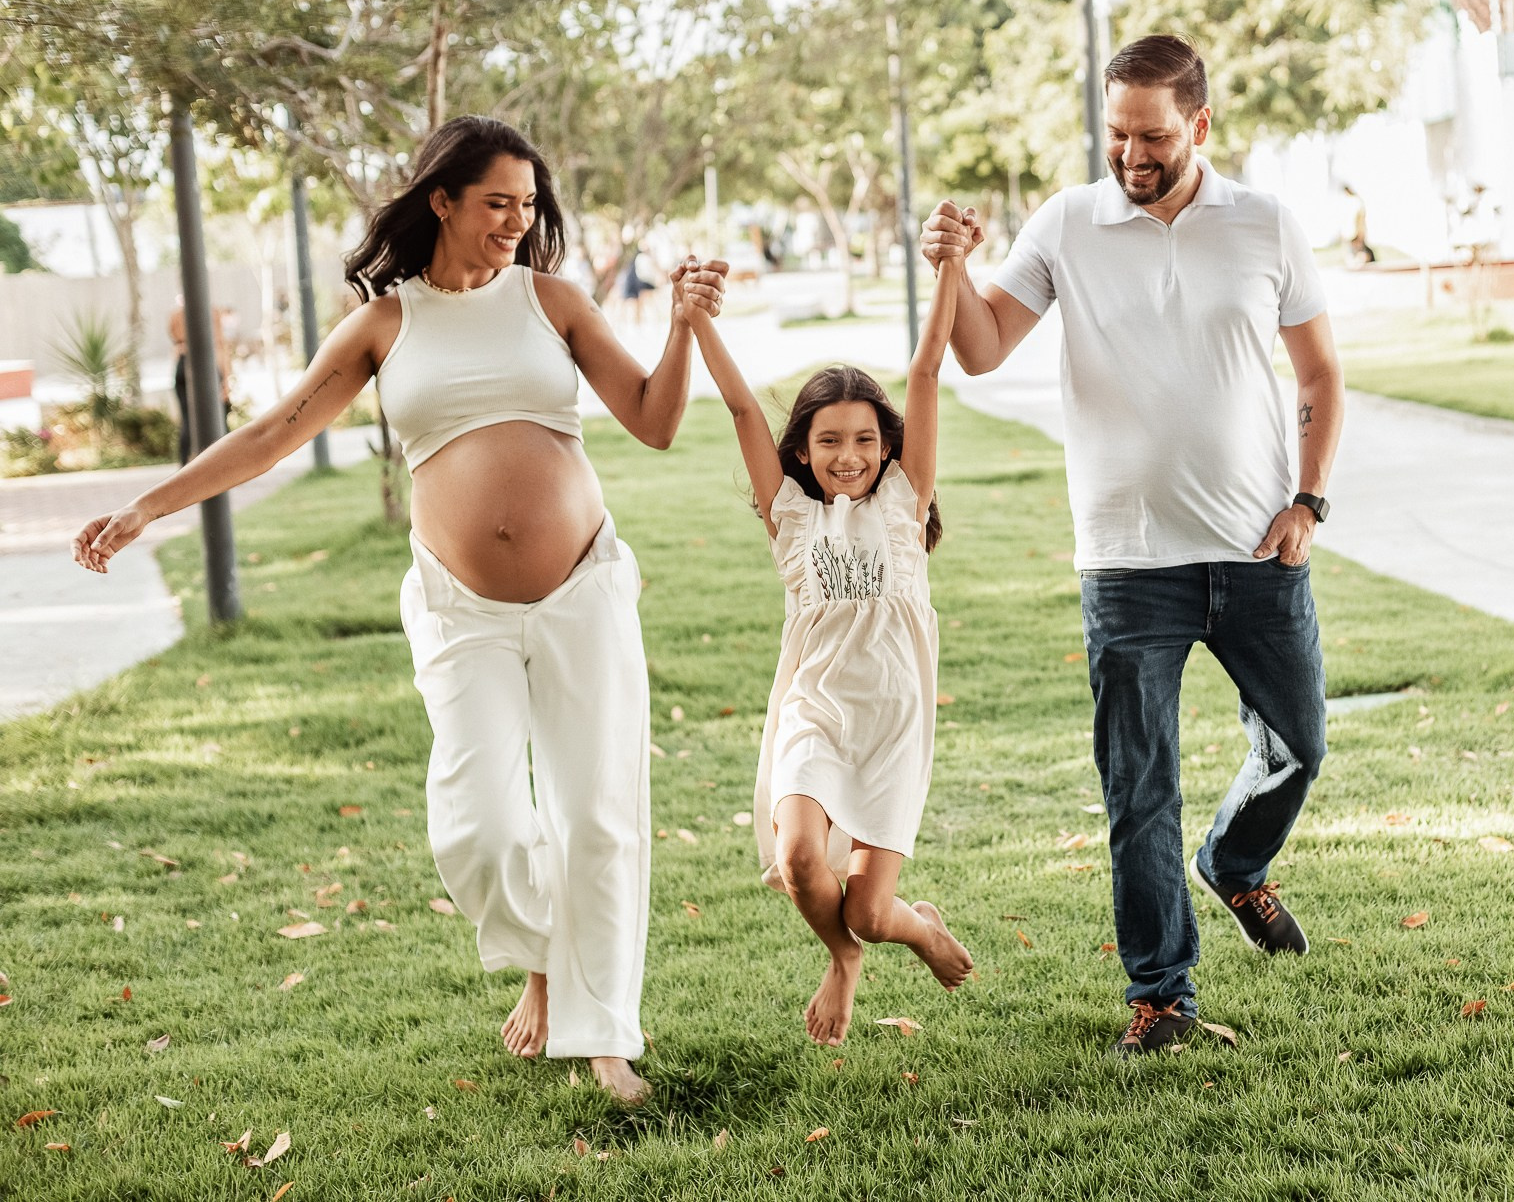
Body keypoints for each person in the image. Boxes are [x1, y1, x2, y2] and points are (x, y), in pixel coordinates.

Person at [73, 115, 729, 1104]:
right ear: (443, 201)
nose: (515, 220)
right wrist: (147, 506)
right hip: (458, 603)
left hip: (583, 586)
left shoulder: (551, 301)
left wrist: (682, 326)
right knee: (483, 824)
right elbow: (268, 434)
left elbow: (657, 421)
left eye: (527, 203)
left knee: (597, 815)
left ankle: (604, 1038)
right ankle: (541, 957)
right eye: (495, 201)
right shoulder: (387, 322)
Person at [921, 35, 1345, 1056]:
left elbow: (1320, 379)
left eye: (1151, 135)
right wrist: (952, 265)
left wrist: (1307, 503)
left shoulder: (1263, 224)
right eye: (1115, 132)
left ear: (1199, 125)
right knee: (1137, 789)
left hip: (1254, 554)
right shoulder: (1068, 223)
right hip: (1124, 562)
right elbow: (978, 350)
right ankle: (1160, 997)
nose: (1130, 153)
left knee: (1299, 742)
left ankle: (1235, 866)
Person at [687, 250, 974, 1047]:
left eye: (862, 438)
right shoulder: (791, 518)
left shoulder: (902, 502)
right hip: (815, 714)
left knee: (873, 908)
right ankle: (841, 958)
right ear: (803, 451)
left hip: (892, 723)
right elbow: (744, 410)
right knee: (801, 859)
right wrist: (699, 320)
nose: (847, 454)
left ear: (886, 444)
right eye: (827, 441)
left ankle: (908, 929)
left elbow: (923, 370)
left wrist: (951, 267)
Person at [167, 297, 232, 465]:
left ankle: (185, 469)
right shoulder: (211, 313)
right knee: (218, 416)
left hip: (183, 362)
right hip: (206, 364)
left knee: (188, 420)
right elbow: (219, 344)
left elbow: (175, 340)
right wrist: (226, 379)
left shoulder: (176, 316)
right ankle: (224, 466)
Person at [1342, 183, 1377, 268]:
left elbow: (1360, 221)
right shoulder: (1354, 203)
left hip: (1356, 234)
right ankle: (1356, 262)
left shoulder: (1356, 203)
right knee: (1354, 252)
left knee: (1359, 252)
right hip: (1354, 235)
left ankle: (1358, 262)